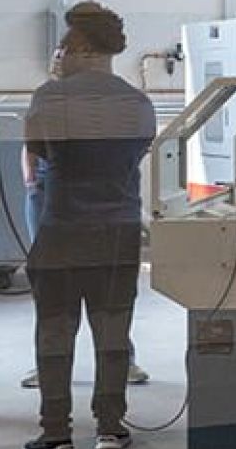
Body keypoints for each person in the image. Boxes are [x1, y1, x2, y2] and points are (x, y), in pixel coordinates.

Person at [22, 1, 156, 449]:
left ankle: (55, 434)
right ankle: (111, 427)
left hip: (64, 229)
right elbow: (137, 153)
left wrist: (57, 85)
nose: (59, 51)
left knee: (56, 333)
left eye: (63, 44)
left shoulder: (50, 96)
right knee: (113, 332)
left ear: (78, 46)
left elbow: (39, 152)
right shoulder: (138, 101)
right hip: (119, 230)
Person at [18, 50, 150, 390]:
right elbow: (31, 148)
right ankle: (49, 367)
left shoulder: (115, 100)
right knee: (55, 298)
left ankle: (122, 365)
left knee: (108, 302)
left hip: (104, 210)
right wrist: (33, 181)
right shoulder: (48, 98)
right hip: (54, 201)